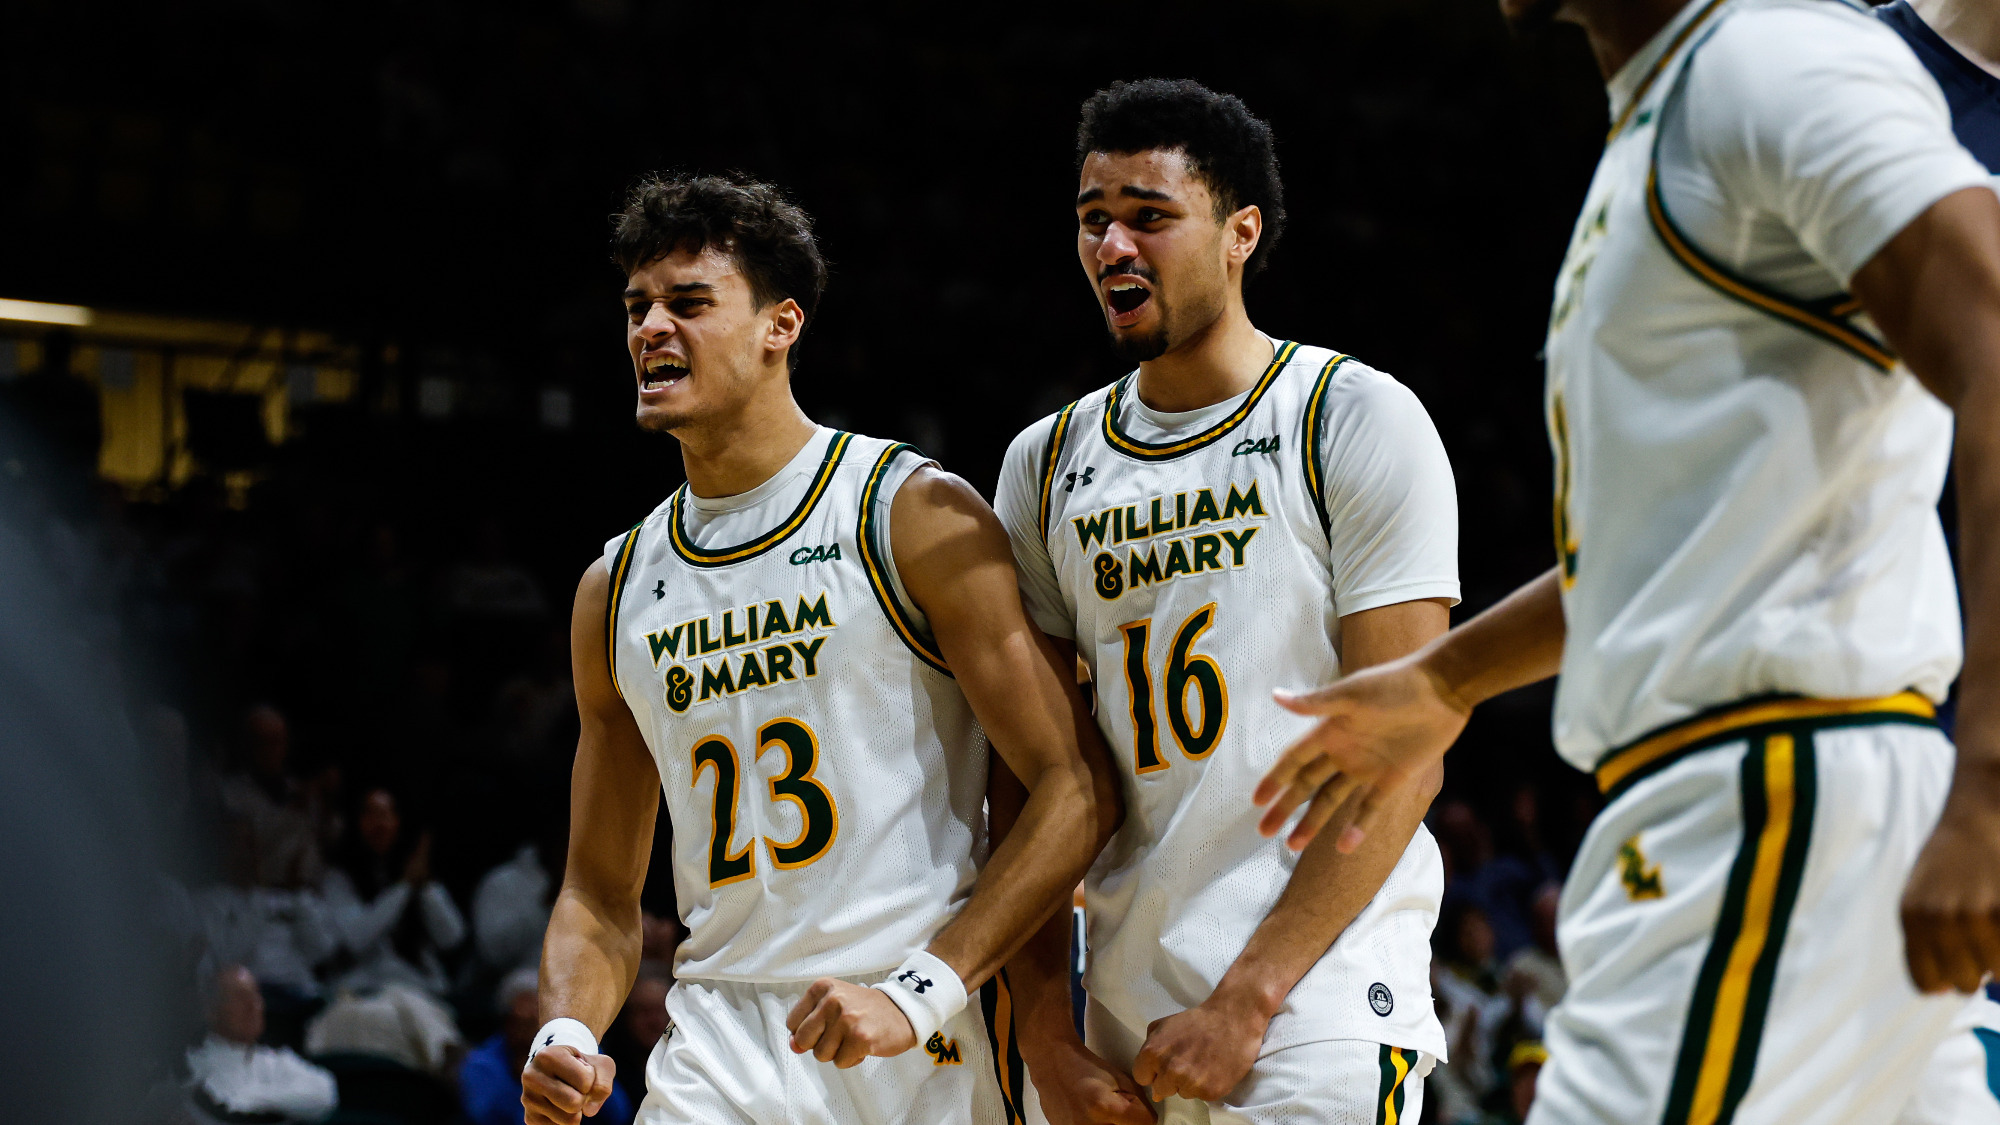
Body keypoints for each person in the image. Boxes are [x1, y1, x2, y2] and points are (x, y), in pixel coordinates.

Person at [1252, 0, 2000, 1122]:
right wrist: (1443, 679)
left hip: (1762, 801)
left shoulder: (1765, 58)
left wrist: (1987, 790)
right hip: (1781, 801)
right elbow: (1672, 543)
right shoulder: (1667, 114)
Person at [522, 172, 1120, 1125]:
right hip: (717, 1045)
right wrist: (564, 1034)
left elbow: (1074, 785)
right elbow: (598, 893)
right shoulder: (617, 588)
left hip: (917, 1033)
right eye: (637, 307)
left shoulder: (906, 511)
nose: (649, 330)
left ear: (780, 325)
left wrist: (920, 990)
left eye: (688, 303)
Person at [993, 79, 1459, 1124]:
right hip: (1120, 1013)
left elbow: (1409, 747)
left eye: (1149, 217)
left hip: (1315, 1001)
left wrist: (1249, 999)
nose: (1113, 246)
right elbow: (1025, 776)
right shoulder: (1045, 463)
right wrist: (1044, 1033)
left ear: (1240, 231)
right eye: (1091, 220)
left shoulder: (1350, 415)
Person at [321, 787, 467, 996]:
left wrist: (423, 887)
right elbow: (356, 939)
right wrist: (404, 887)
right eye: (370, 814)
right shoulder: (338, 878)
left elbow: (452, 937)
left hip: (418, 991)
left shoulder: (418, 876)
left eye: (387, 815)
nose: (379, 824)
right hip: (360, 992)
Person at [468, 967, 634, 1125]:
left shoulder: (577, 1046)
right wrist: (523, 1078)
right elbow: (485, 1117)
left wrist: (587, 1086)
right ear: (506, 1020)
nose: (527, 1031)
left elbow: (618, 1113)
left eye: (534, 1020)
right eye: (520, 1021)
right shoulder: (482, 1062)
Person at [185, 964, 338, 1124]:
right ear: (211, 1010)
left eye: (256, 995)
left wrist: (252, 1096)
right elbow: (229, 1106)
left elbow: (325, 1093)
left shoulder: (269, 1059)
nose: (252, 1006)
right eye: (239, 998)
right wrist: (282, 1098)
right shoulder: (197, 1063)